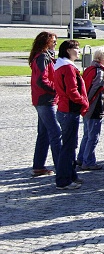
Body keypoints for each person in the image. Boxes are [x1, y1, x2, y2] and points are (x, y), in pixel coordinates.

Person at [53, 40, 89, 189]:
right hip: (69, 110)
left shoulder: (62, 65)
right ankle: (63, 180)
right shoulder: (67, 68)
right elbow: (72, 91)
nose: (79, 51)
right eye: (76, 48)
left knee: (70, 145)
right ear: (68, 50)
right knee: (68, 147)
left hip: (66, 109)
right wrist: (83, 102)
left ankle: (71, 174)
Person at [29, 31, 61, 177]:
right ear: (46, 42)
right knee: (55, 133)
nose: (55, 43)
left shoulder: (43, 56)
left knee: (44, 134)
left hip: (42, 99)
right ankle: (62, 167)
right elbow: (42, 80)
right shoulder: (43, 57)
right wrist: (57, 89)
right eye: (53, 41)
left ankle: (38, 166)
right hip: (46, 100)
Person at [77, 46, 104, 170]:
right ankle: (88, 161)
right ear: (103, 59)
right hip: (95, 107)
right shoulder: (100, 72)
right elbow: (94, 90)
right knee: (93, 136)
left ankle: (81, 158)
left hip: (88, 107)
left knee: (87, 135)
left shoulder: (89, 69)